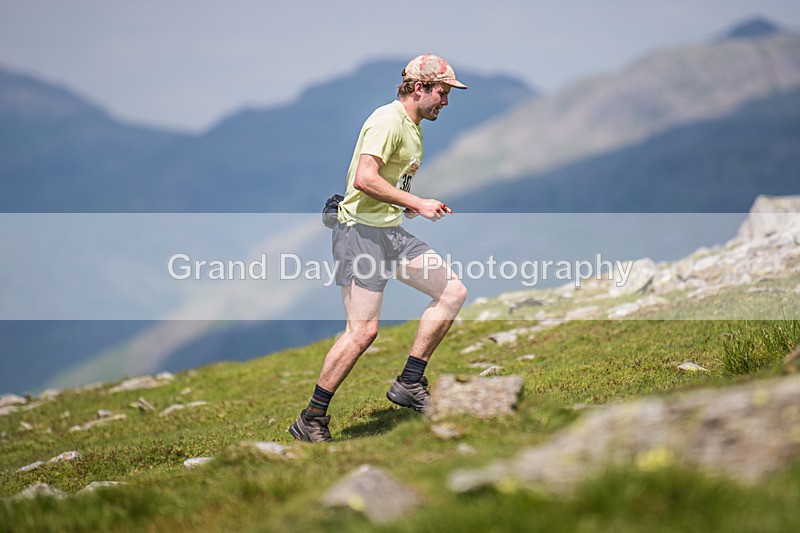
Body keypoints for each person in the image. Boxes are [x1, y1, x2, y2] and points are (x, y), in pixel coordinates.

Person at [289, 54, 469, 443]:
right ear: (419, 88)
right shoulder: (388, 121)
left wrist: (405, 203)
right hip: (360, 235)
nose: (446, 101)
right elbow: (364, 178)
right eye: (442, 92)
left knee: (452, 292)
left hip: (389, 232)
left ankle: (409, 381)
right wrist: (416, 202)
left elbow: (386, 183)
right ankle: (311, 418)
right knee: (363, 332)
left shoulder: (413, 124)